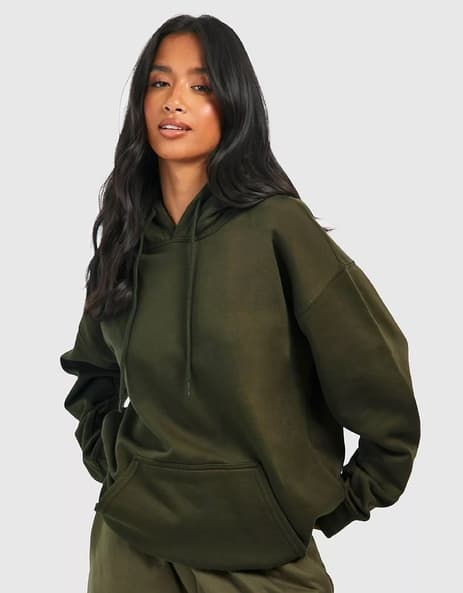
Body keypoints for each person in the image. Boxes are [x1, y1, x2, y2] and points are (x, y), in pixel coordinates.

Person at [59, 13, 421, 593]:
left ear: (233, 104)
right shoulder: (126, 239)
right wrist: (115, 465)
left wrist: (336, 502)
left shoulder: (279, 229)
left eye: (200, 85)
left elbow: (381, 386)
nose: (174, 100)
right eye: (159, 82)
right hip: (131, 547)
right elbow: (91, 373)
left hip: (262, 558)